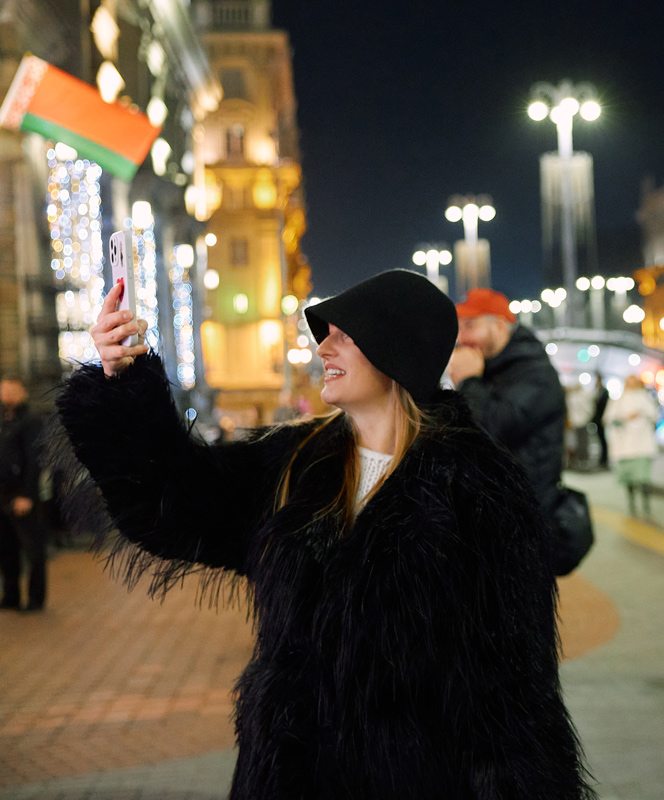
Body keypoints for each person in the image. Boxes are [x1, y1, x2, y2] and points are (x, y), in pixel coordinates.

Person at [56, 271, 591, 799]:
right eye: (326, 334)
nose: (323, 348)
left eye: (345, 336)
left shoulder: (479, 487)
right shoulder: (296, 462)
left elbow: (513, 695)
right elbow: (176, 502)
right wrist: (123, 380)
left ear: (398, 350)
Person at [449, 288, 566, 511]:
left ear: (500, 326)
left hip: (527, 512)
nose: (462, 338)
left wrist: (469, 381)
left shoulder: (536, 373)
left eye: (470, 326)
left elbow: (495, 429)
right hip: (492, 508)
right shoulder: (489, 368)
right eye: (459, 329)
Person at [0, 377, 45, 611]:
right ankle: (11, 596)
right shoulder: (5, 421)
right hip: (4, 494)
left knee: (32, 549)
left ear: (22, 391)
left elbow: (34, 460)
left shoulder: (31, 420)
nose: (5, 394)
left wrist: (27, 494)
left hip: (22, 495)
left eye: (10, 390)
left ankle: (36, 598)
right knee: (6, 549)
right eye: (3, 390)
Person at [602, 375, 660, 516]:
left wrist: (640, 415)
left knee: (643, 479)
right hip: (625, 447)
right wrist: (624, 419)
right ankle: (632, 507)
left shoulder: (645, 398)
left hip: (642, 446)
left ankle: (646, 507)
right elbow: (608, 418)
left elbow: (654, 415)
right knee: (629, 480)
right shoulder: (619, 400)